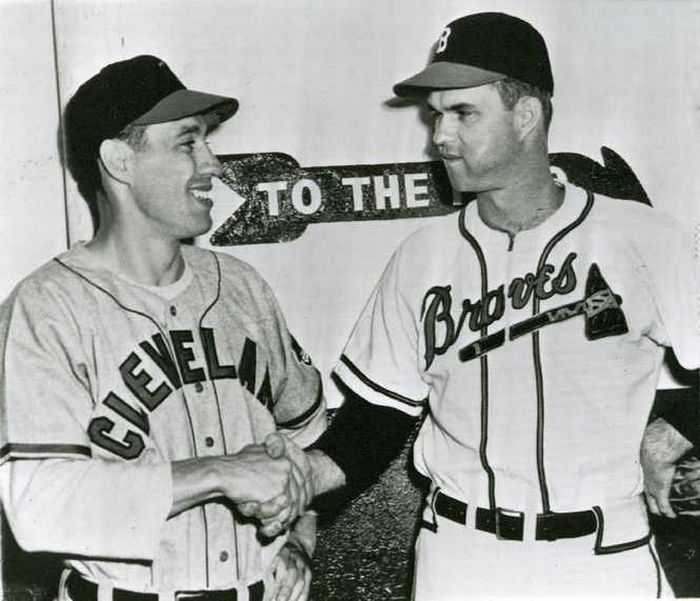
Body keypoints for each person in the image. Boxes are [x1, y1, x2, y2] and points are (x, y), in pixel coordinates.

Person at [254, 11, 700, 598]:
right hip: (462, 555)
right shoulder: (423, 257)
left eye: (464, 113)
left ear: (527, 115)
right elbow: (375, 420)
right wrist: (301, 473)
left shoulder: (644, 239)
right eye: (435, 115)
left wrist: (670, 430)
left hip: (604, 555)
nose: (440, 136)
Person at [0, 55, 324, 601]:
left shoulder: (243, 288)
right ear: (119, 161)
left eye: (207, 141)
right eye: (187, 142)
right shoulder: (44, 309)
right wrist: (218, 472)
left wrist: (299, 537)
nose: (214, 165)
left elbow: (310, 442)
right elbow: (38, 507)